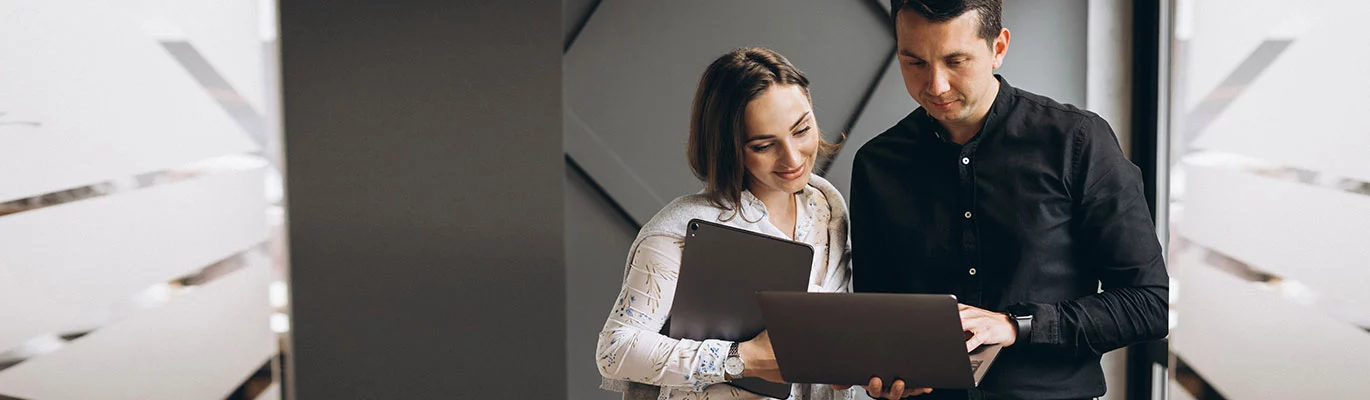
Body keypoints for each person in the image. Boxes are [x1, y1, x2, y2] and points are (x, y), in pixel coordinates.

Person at [842, 1, 1170, 399]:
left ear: (998, 48)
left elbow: (1150, 304)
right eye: (915, 63)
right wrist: (882, 372)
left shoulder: (1078, 141)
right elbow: (879, 317)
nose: (936, 85)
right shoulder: (877, 164)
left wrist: (1016, 325)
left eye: (955, 61)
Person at [596, 47, 856, 400]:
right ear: (728, 147)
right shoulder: (683, 232)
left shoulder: (828, 209)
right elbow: (615, 350)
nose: (793, 157)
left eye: (802, 130)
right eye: (764, 146)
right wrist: (742, 359)